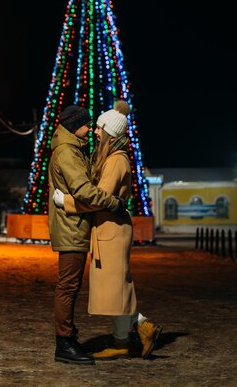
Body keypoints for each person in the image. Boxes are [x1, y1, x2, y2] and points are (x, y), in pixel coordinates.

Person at [53, 100, 162, 360]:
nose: (95, 131)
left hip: (112, 229)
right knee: (115, 288)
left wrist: (65, 201)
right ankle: (129, 336)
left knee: (116, 288)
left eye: (99, 128)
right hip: (106, 228)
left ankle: (135, 333)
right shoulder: (107, 157)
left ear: (111, 133)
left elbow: (96, 196)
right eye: (93, 126)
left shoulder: (115, 160)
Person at [48, 104, 130, 365]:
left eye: (96, 126)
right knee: (68, 286)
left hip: (76, 225)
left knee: (72, 285)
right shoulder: (68, 152)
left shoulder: (75, 150)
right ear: (76, 126)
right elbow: (84, 190)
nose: (91, 130)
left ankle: (68, 340)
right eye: (87, 124)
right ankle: (65, 343)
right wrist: (113, 203)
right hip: (72, 227)